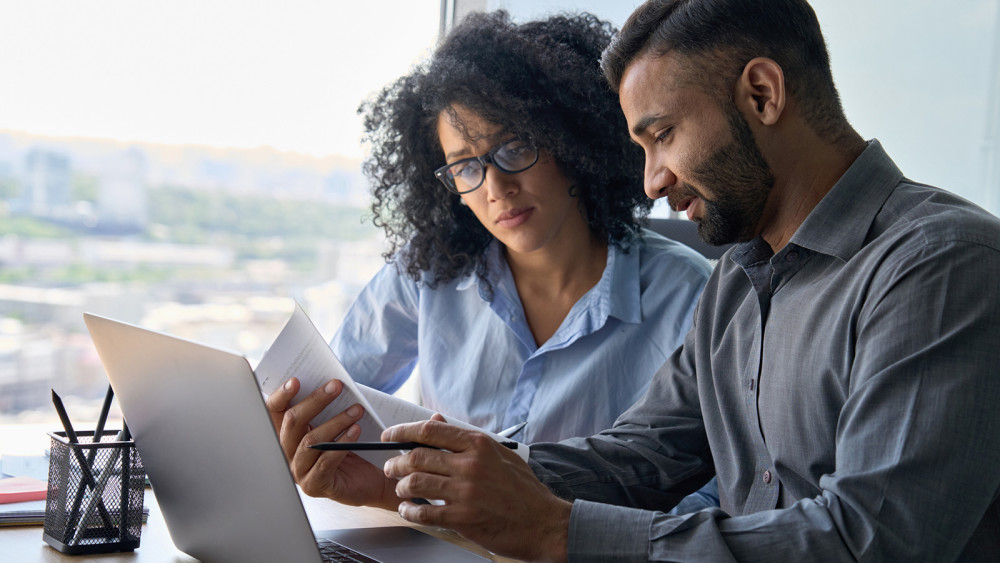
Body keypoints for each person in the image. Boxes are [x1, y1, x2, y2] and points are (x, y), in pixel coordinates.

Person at [270, 0, 1000, 560]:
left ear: (763, 94)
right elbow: (640, 456)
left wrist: (561, 533)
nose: (651, 180)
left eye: (662, 135)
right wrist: (419, 483)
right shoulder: (740, 282)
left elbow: (871, 541)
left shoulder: (941, 264)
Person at [276, 10, 718, 510]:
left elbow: (715, 495)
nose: (496, 187)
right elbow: (337, 397)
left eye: (514, 148)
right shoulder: (426, 273)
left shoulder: (688, 295)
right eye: (465, 166)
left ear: (572, 143)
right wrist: (303, 436)